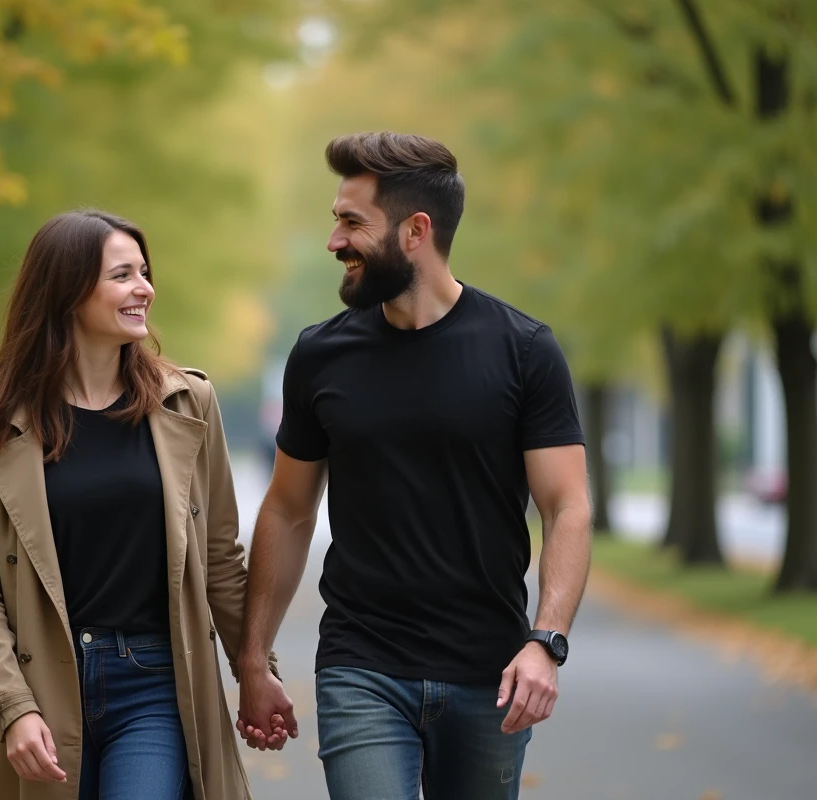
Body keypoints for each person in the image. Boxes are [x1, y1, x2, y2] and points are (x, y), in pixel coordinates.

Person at [235, 132, 592, 800]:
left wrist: (547, 641)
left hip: (491, 675)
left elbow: (567, 506)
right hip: (361, 666)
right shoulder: (320, 355)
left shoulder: (525, 351)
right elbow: (287, 509)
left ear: (414, 231)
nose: (334, 241)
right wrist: (254, 658)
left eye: (351, 222)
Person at [0, 209, 281, 800]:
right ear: (67, 291)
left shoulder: (188, 403)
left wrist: (255, 671)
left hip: (156, 683)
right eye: (123, 275)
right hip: (41, 680)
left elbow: (220, 556)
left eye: (144, 272)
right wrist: (13, 706)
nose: (144, 288)